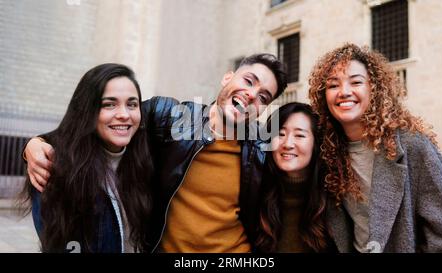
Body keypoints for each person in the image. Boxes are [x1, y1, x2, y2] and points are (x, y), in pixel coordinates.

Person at [23, 53, 288, 252]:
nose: (252, 95)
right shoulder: (168, 117)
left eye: (264, 97)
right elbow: (107, 121)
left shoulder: (261, 151)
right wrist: (37, 142)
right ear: (228, 77)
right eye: (248, 81)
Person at [308, 43, 442, 252]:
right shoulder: (328, 151)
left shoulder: (413, 146)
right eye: (333, 85)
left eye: (355, 82)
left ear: (374, 89)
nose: (344, 92)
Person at [20, 63, 153, 252]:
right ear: (87, 110)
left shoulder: (146, 158)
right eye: (109, 104)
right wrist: (32, 145)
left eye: (132, 104)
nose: (124, 114)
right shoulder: (56, 166)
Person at [256, 102, 334, 253]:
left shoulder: (334, 200)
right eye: (280, 134)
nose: (288, 144)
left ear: (315, 144)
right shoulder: (256, 193)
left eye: (299, 135)